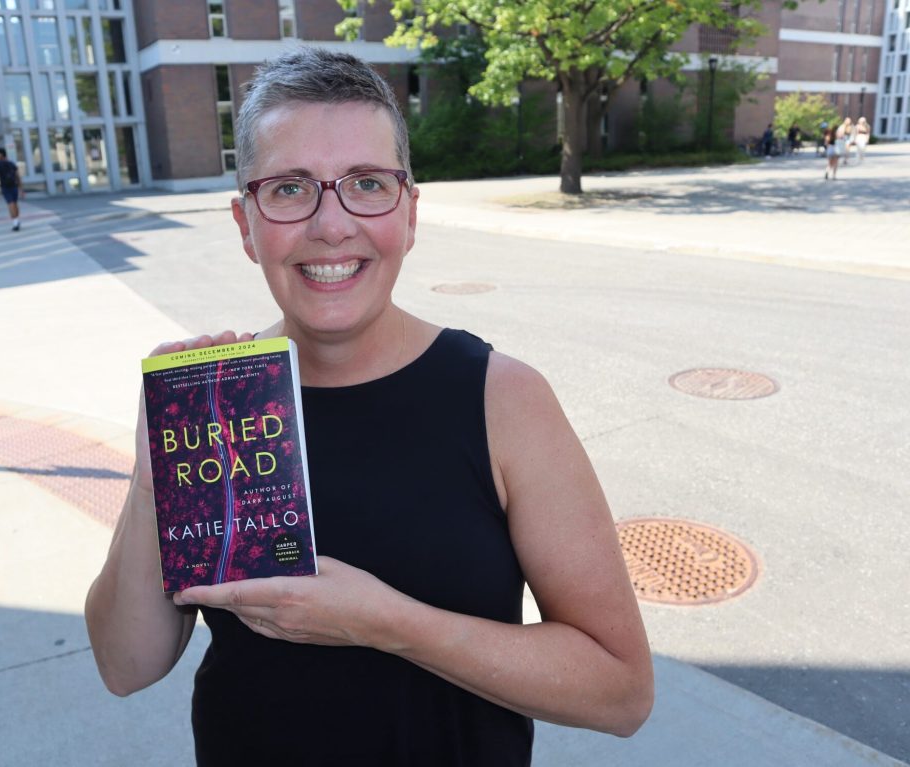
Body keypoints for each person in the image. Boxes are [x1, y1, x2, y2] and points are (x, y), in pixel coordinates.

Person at [85, 49, 653, 767]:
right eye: (290, 188)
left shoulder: (501, 399)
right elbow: (124, 665)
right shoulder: (220, 404)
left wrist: (387, 623)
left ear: (409, 212)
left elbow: (622, 690)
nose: (332, 224)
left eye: (367, 184)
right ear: (245, 223)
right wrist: (151, 479)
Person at [0, 148, 22, 231]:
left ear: (1, 154)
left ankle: (15, 222)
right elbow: (17, 176)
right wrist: (20, 188)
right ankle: (17, 220)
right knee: (15, 203)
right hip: (14, 186)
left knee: (10, 204)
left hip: (5, 187)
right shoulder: (11, 163)